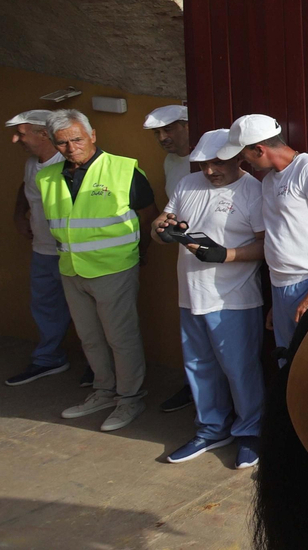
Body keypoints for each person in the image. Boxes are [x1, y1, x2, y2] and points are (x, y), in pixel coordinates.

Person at [150, 129, 266, 469]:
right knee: (198, 367)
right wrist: (161, 229)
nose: (210, 171)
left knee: (240, 369)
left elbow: (265, 245)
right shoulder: (188, 185)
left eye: (218, 163)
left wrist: (226, 255)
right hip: (189, 294)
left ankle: (249, 432)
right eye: (204, 164)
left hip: (233, 297)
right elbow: (160, 223)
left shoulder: (252, 191)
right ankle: (211, 429)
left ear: (239, 158)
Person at [39, 109, 157, 432]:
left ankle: (130, 397)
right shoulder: (47, 177)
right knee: (89, 337)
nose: (70, 147)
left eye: (77, 138)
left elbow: (148, 217)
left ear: (93, 135)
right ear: (53, 143)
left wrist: (138, 254)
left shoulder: (123, 169)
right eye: (62, 142)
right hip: (71, 268)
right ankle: (104, 391)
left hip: (114, 268)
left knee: (121, 337)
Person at [219, 114, 308, 351]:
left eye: (243, 154)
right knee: (289, 363)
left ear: (259, 149)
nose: (242, 160)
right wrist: (278, 302)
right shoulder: (269, 181)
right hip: (283, 286)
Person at [3, 111, 71, 387]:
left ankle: (99, 369)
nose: (15, 139)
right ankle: (48, 359)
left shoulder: (69, 163)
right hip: (42, 250)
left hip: (71, 253)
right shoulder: (33, 163)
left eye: (21, 133)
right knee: (45, 307)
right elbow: (26, 187)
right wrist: (19, 214)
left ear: (44, 134)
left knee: (90, 313)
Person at [143, 104, 197, 414]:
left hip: (224, 259)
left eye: (169, 129)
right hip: (184, 256)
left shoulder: (207, 160)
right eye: (157, 133)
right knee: (191, 331)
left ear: (189, 125)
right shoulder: (170, 162)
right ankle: (194, 388)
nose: (163, 137)